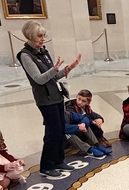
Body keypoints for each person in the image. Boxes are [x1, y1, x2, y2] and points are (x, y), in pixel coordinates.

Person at [17, 20, 81, 179]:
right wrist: (54, 69)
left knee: (60, 130)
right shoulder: (25, 55)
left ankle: (58, 160)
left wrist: (68, 68)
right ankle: (46, 166)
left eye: (43, 36)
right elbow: (39, 79)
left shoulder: (43, 51)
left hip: (56, 95)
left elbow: (53, 77)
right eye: (39, 36)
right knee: (52, 132)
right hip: (45, 99)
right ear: (30, 35)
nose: (42, 39)